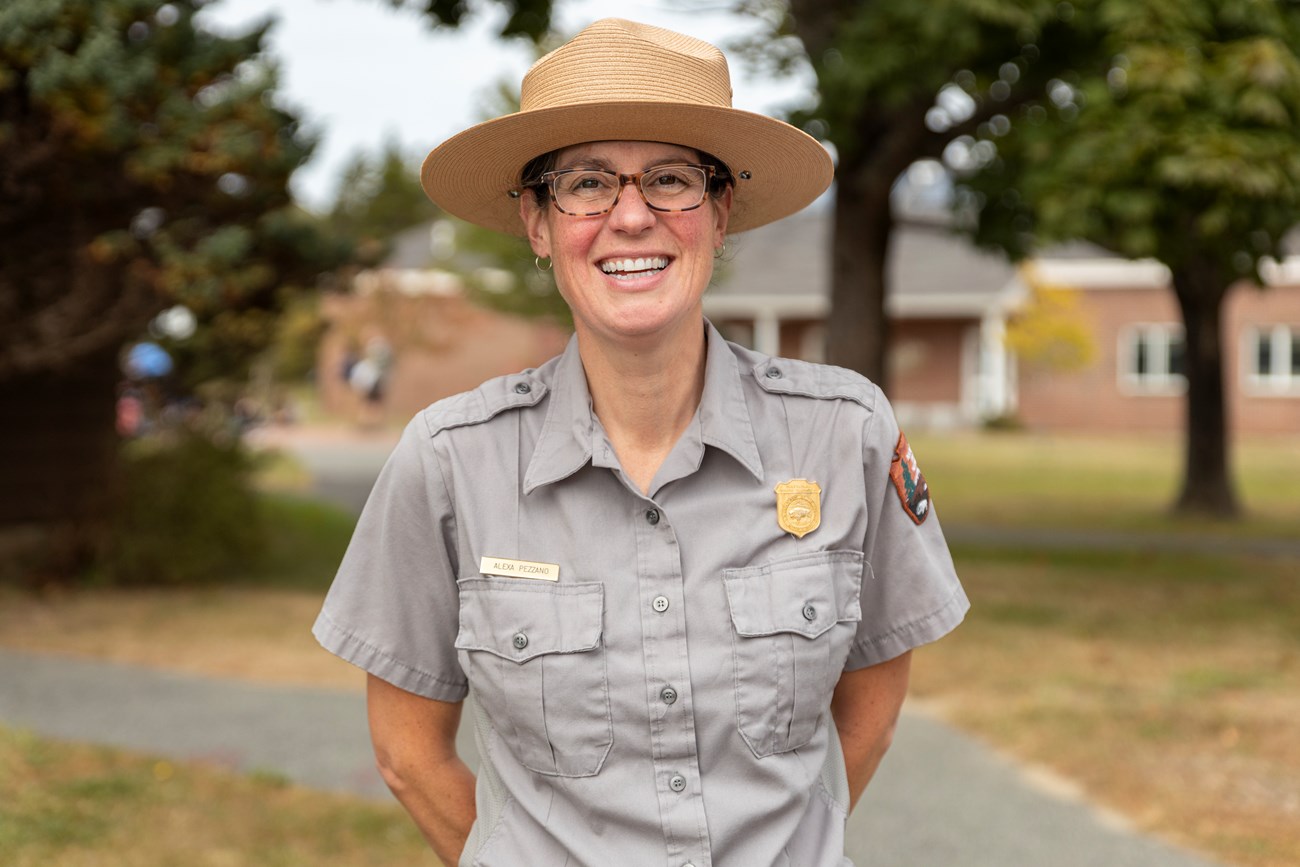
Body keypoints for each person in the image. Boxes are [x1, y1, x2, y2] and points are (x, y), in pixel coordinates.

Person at [314, 18, 968, 867]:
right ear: (537, 223)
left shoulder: (844, 434)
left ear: (721, 211)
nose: (631, 217)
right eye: (586, 183)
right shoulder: (449, 461)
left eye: (669, 179)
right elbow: (408, 754)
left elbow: (872, 707)